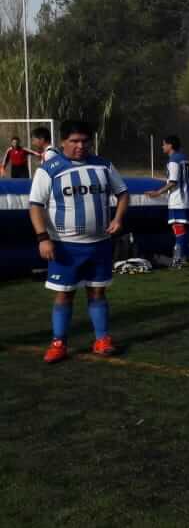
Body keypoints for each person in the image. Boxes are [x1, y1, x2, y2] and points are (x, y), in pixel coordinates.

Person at [28, 120, 129, 363]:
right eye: (74, 141)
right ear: (63, 142)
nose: (80, 146)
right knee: (65, 295)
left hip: (100, 244)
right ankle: (59, 343)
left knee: (98, 292)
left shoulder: (104, 165)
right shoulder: (49, 169)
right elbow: (35, 205)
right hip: (65, 246)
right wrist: (43, 238)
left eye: (84, 141)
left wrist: (118, 219)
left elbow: (123, 193)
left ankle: (102, 339)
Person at [145, 135, 189, 267]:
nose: (162, 147)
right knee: (183, 227)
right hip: (188, 197)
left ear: (170, 145)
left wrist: (157, 192)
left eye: (164, 144)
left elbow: (173, 181)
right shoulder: (184, 159)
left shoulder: (173, 160)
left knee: (177, 226)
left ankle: (178, 257)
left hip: (178, 199)